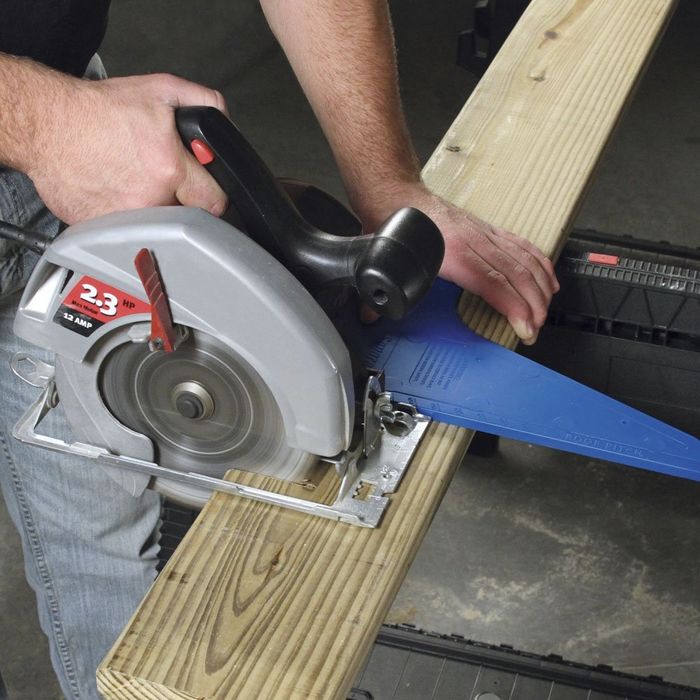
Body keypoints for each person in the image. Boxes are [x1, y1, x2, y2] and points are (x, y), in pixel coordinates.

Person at [0, 1, 559, 697]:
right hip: (49, 119)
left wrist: (389, 187)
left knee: (109, 538)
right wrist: (45, 120)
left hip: (72, 129)